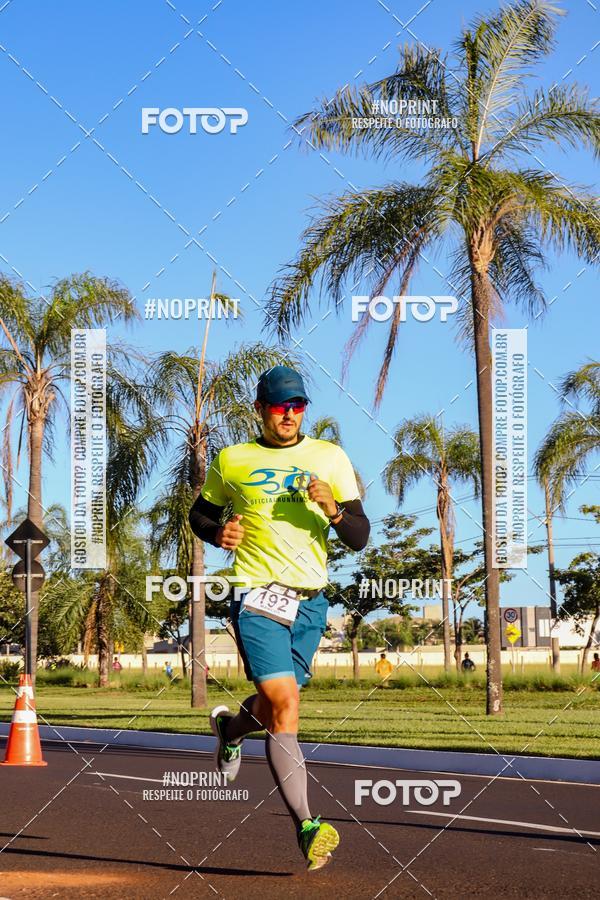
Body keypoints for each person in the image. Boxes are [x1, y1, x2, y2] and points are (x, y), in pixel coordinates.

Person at [189, 365, 370, 871]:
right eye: (279, 406)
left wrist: (333, 509)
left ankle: (229, 730)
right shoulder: (233, 460)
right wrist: (217, 532)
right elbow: (199, 514)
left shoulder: (330, 457)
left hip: (310, 602)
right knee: (285, 704)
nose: (288, 415)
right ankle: (308, 827)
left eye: (297, 406)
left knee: (272, 710)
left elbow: (358, 534)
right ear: (260, 409)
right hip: (255, 596)